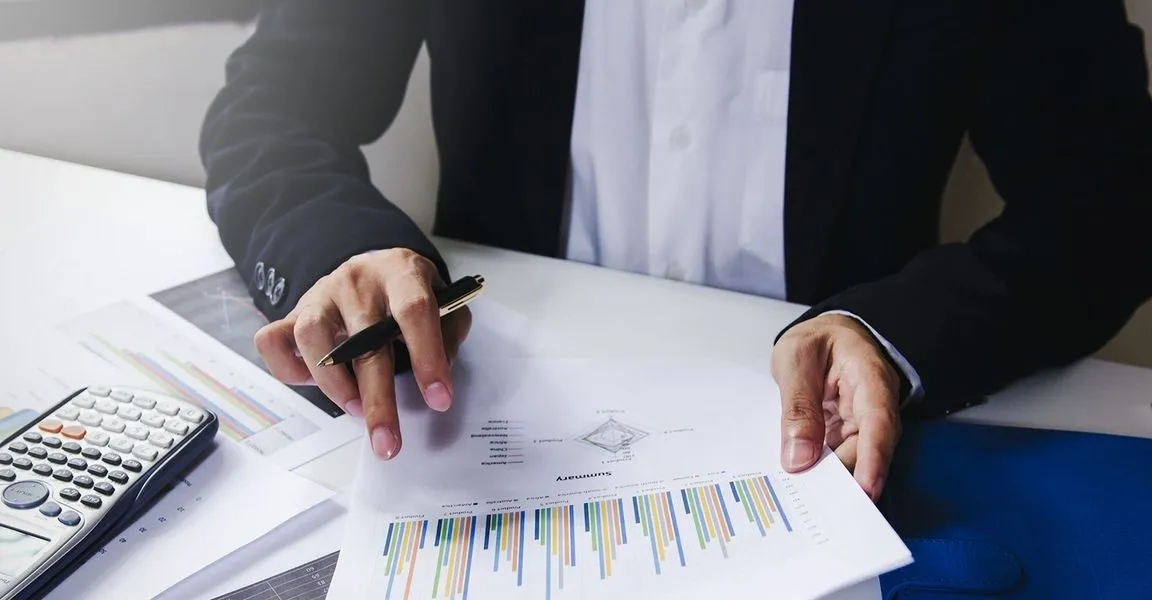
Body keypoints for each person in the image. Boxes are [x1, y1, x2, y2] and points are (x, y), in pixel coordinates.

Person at [200, 0, 1152, 501]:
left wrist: (894, 333)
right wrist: (348, 249)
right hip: (481, 441)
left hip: (830, 460)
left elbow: (1111, 202)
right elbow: (269, 110)